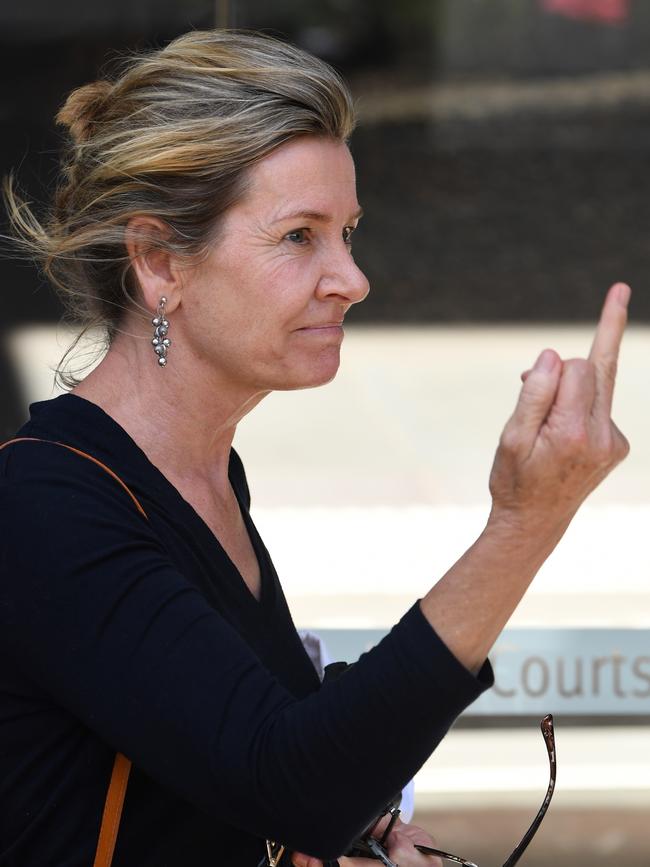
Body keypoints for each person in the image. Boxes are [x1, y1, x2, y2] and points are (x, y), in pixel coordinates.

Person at [0, 29, 629, 867]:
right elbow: (291, 782)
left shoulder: (208, 476)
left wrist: (363, 839)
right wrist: (524, 523)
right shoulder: (43, 506)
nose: (351, 277)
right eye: (300, 236)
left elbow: (258, 766)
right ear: (159, 263)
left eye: (349, 231)